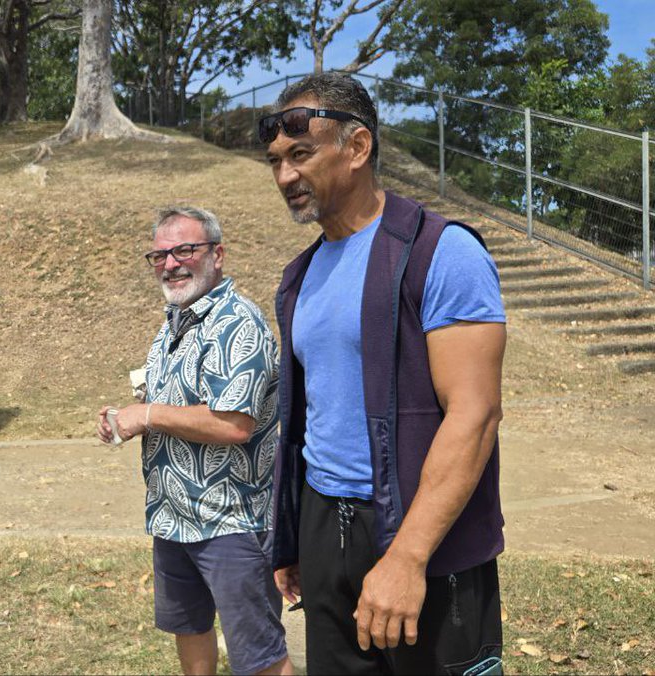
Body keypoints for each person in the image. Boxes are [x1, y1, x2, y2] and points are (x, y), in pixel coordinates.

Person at [263, 72, 507, 675]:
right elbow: (308, 419)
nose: (285, 176)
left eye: (301, 154)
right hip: (327, 531)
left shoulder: (441, 253)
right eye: (275, 161)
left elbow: (475, 414)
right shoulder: (299, 278)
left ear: (358, 146)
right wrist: (299, 538)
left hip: (423, 537)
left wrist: (407, 558)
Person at [97, 206, 289, 676]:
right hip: (174, 519)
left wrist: (145, 415)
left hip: (231, 522)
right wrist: (123, 418)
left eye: (185, 249)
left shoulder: (238, 323)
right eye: (159, 255)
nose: (171, 263)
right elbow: (172, 407)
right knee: (190, 628)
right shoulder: (172, 326)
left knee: (259, 654)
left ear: (217, 254)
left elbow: (233, 424)